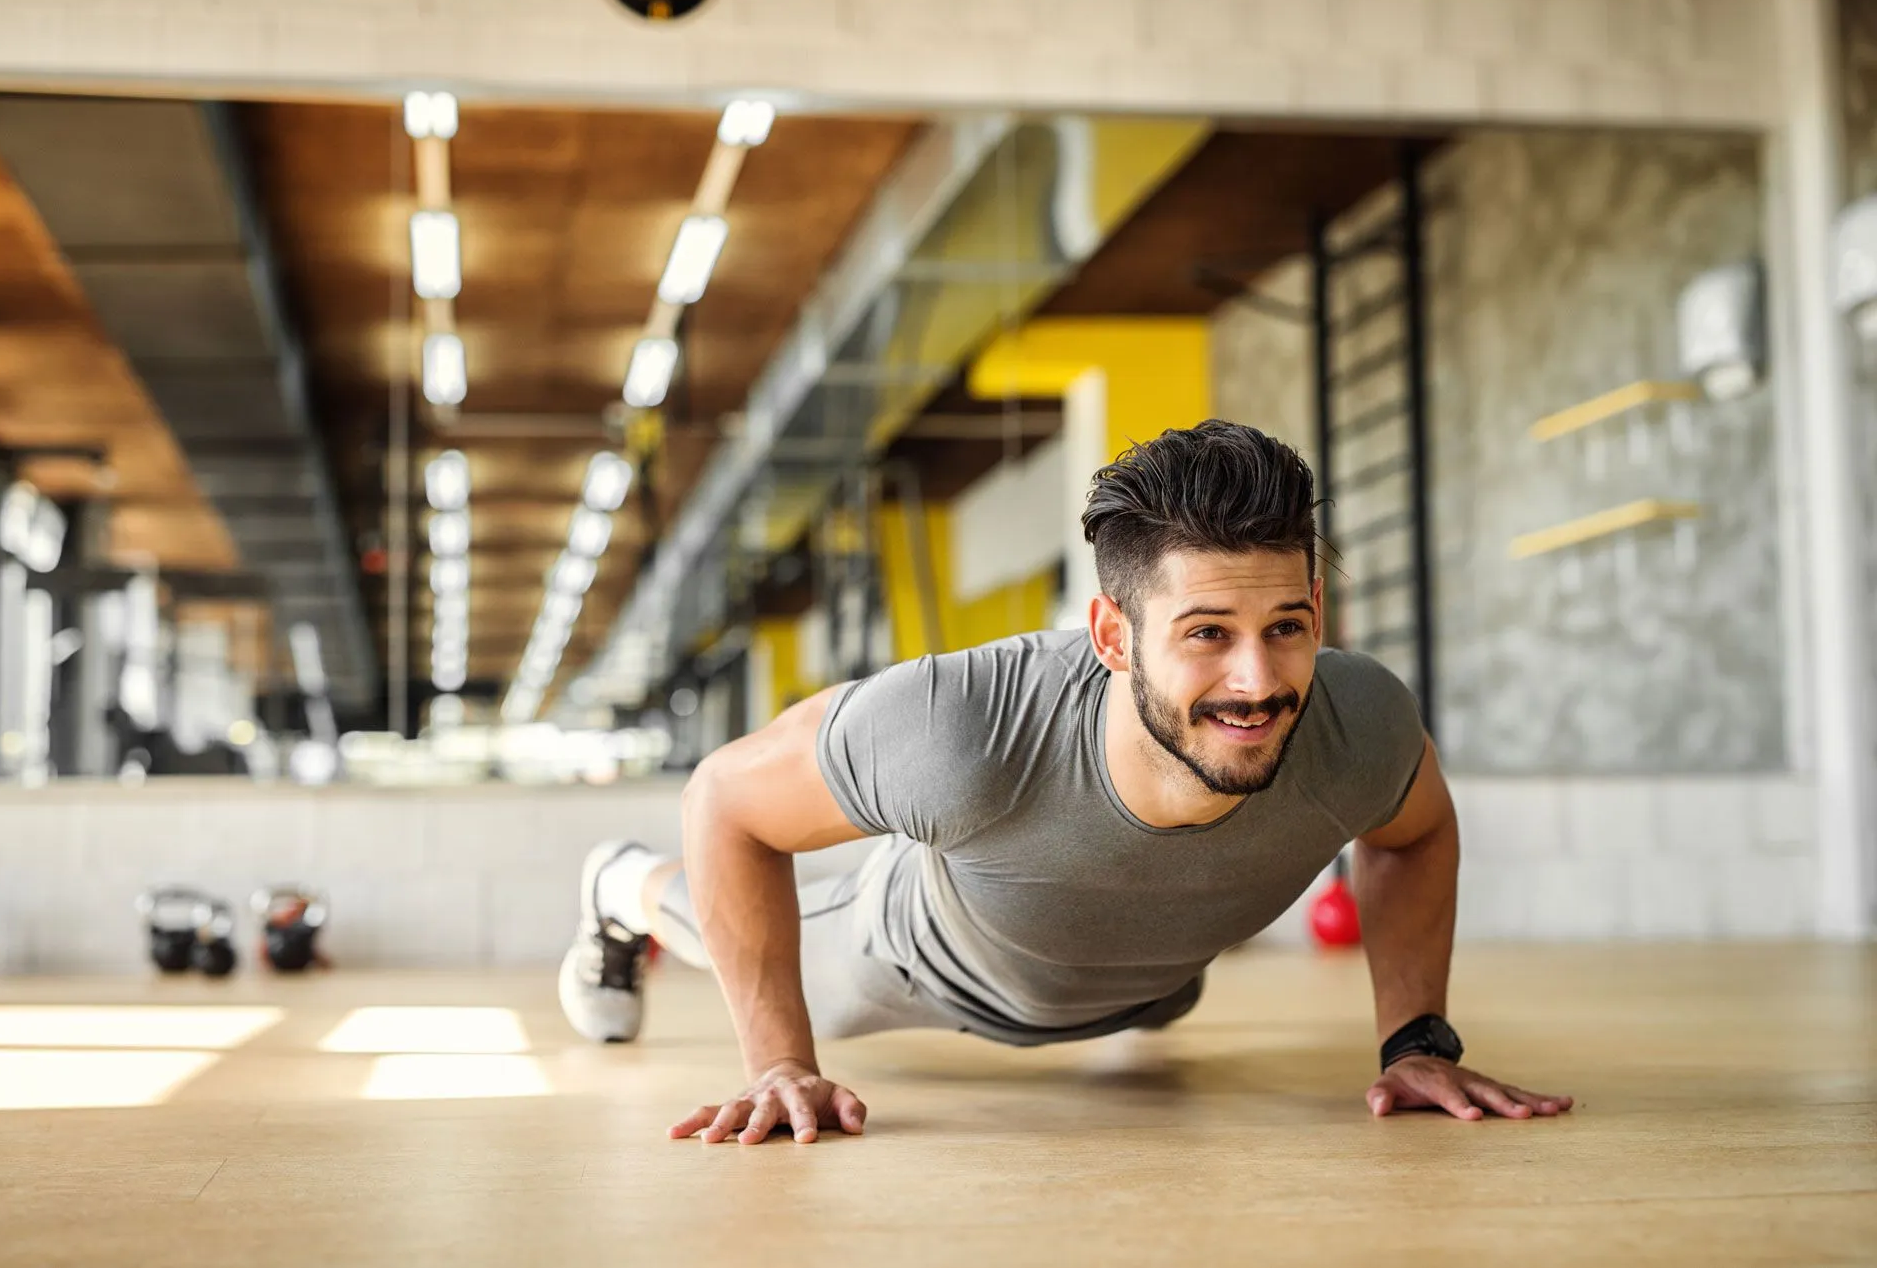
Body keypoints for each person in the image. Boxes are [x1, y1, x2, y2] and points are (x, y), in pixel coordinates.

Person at [560, 419, 1574, 1144]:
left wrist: (1416, 1041)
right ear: (1111, 637)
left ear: (1317, 608)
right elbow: (726, 801)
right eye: (1206, 636)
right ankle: (620, 884)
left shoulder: (1363, 726)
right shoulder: (961, 728)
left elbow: (1416, 833)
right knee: (711, 917)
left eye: (1286, 630)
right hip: (912, 962)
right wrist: (780, 1063)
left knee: (1153, 1004)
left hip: (1134, 994)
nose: (1257, 681)